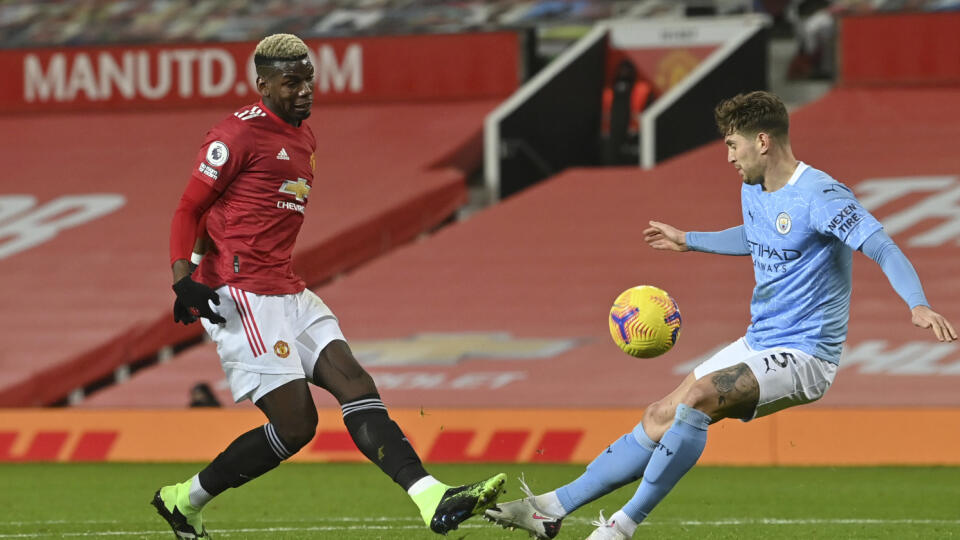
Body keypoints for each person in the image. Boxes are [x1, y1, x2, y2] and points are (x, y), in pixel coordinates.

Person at [484, 90, 957, 539]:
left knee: (703, 396)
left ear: (763, 142)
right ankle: (549, 510)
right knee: (659, 415)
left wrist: (917, 304)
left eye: (733, 145)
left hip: (807, 353)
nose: (728, 156)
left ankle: (620, 526)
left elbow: (881, 246)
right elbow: (757, 237)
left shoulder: (821, 196)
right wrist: (689, 239)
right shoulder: (755, 188)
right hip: (760, 340)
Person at [152, 33, 505, 539]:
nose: (303, 92)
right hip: (242, 294)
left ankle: (431, 499)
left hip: (289, 290)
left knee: (356, 385)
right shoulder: (235, 135)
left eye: (308, 80)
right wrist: (183, 277)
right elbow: (191, 207)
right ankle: (182, 501)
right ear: (263, 84)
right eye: (290, 83)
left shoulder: (305, 138)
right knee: (297, 427)